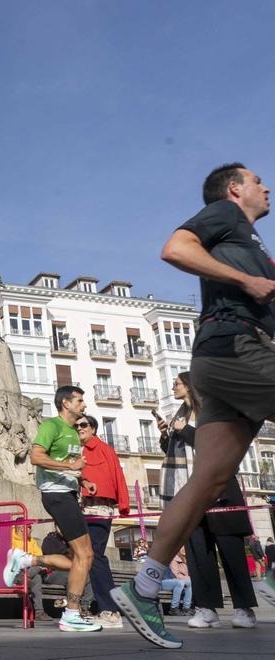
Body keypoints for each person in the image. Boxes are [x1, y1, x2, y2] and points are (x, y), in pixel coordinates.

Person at [112, 163, 275, 649]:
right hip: (236, 349)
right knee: (207, 481)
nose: (266, 187)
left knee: (208, 480)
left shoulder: (250, 243)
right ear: (234, 188)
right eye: (257, 181)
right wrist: (246, 283)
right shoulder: (226, 214)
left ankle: (143, 588)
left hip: (217, 363)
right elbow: (175, 248)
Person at [157, 370, 258, 630]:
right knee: (199, 554)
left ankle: (244, 609)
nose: (173, 387)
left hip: (219, 492)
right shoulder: (179, 414)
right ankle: (206, 609)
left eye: (177, 383)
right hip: (189, 493)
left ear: (190, 386)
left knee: (231, 552)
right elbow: (176, 453)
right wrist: (167, 435)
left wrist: (186, 431)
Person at [2, 385, 101, 632]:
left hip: (67, 493)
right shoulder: (51, 426)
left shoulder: (71, 431)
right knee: (85, 556)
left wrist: (81, 479)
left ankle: (26, 559)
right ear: (65, 403)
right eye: (79, 400)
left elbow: (69, 464)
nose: (84, 405)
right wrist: (70, 468)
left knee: (82, 558)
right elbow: (36, 457)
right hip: (56, 496)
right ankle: (71, 613)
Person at [76, 414, 128, 628]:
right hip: (81, 507)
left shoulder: (104, 449)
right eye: (76, 425)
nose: (79, 428)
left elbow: (118, 474)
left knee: (95, 555)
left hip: (99, 506)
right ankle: (91, 607)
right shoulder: (74, 449)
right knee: (84, 556)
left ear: (94, 428)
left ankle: (110, 610)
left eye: (84, 425)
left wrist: (124, 505)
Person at [162, 548, 192, 615]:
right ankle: (174, 608)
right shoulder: (174, 559)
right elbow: (176, 574)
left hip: (179, 580)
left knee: (189, 583)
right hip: (166, 580)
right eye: (182, 548)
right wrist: (188, 578)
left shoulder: (187, 559)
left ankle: (186, 608)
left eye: (185, 547)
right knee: (180, 583)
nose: (184, 549)